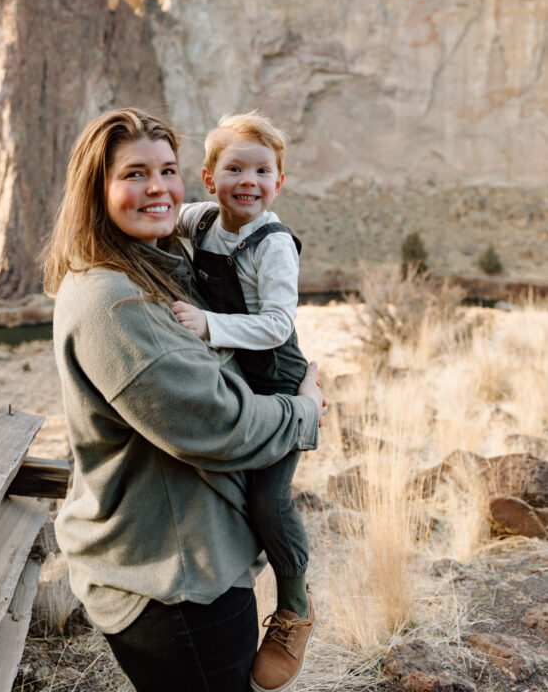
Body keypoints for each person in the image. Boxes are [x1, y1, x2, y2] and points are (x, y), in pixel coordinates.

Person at [41, 107, 326, 692]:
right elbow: (220, 425)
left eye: (166, 170)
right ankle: (298, 601)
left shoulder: (152, 263)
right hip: (174, 585)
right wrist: (304, 410)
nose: (157, 188)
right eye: (134, 174)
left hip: (188, 561)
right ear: (96, 190)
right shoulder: (113, 304)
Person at [172, 111, 314, 692]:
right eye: (234, 168)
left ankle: (295, 607)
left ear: (278, 182)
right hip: (235, 379)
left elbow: (278, 325)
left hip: (277, 379)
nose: (248, 180)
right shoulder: (201, 221)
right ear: (210, 178)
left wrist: (208, 324)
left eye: (262, 170)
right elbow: (156, 218)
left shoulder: (274, 245)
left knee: (270, 499)